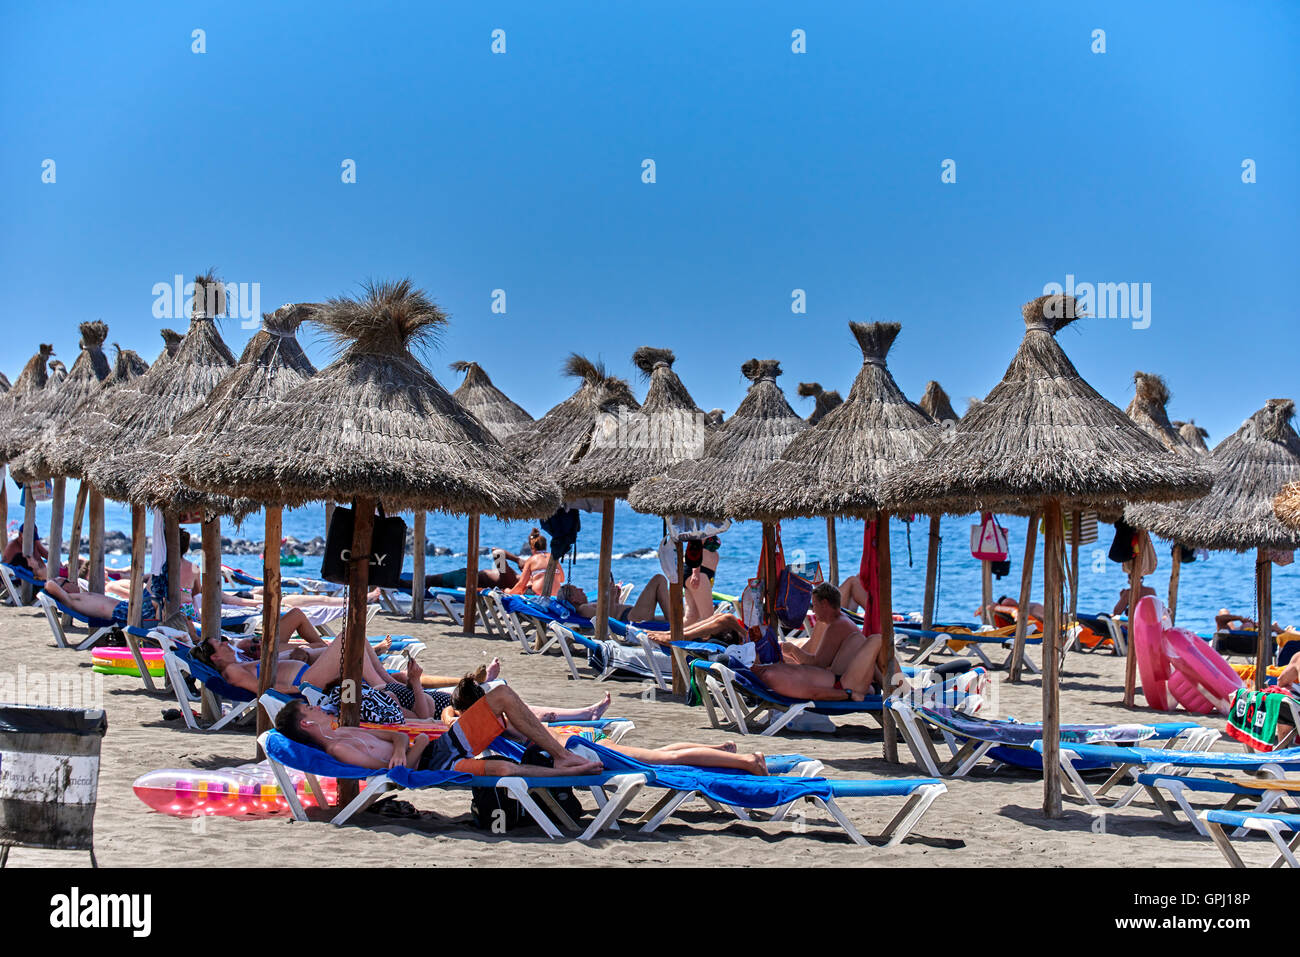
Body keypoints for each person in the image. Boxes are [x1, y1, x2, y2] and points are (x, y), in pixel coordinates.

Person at [450, 677, 769, 775]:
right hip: (577, 740)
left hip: (579, 747)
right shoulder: (503, 720)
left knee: (663, 760)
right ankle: (714, 750)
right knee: (653, 754)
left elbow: (450, 720)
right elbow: (450, 717)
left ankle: (747, 762)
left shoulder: (498, 726)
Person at [274, 685, 604, 776]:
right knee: (503, 768)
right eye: (309, 708)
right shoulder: (339, 750)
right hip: (434, 763)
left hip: (434, 748)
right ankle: (564, 766)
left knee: (500, 695)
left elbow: (396, 740)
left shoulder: (344, 730)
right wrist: (413, 748)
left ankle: (561, 756)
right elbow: (400, 775)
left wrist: (406, 744)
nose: (316, 707)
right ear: (305, 723)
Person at [752, 583, 884, 701]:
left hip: (843, 681)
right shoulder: (771, 675)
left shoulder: (770, 672)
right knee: (870, 639)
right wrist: (849, 694)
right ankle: (891, 688)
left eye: (814, 605)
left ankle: (890, 686)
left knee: (864, 639)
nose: (813, 610)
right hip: (843, 684)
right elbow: (814, 688)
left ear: (825, 604)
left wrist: (791, 651)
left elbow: (818, 665)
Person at [558, 576, 748, 643]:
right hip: (631, 618)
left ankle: (683, 627)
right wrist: (609, 596)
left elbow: (609, 611)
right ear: (572, 598)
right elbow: (605, 617)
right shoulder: (582, 609)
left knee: (688, 622)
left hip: (631, 615)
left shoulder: (585, 605)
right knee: (658, 580)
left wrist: (612, 595)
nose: (582, 590)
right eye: (577, 590)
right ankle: (675, 624)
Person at [506, 529, 564, 596]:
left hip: (538, 594)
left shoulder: (531, 560)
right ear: (545, 546)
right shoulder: (554, 558)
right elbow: (562, 579)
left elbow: (521, 585)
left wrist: (508, 592)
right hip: (555, 595)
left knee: (522, 588)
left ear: (532, 547)